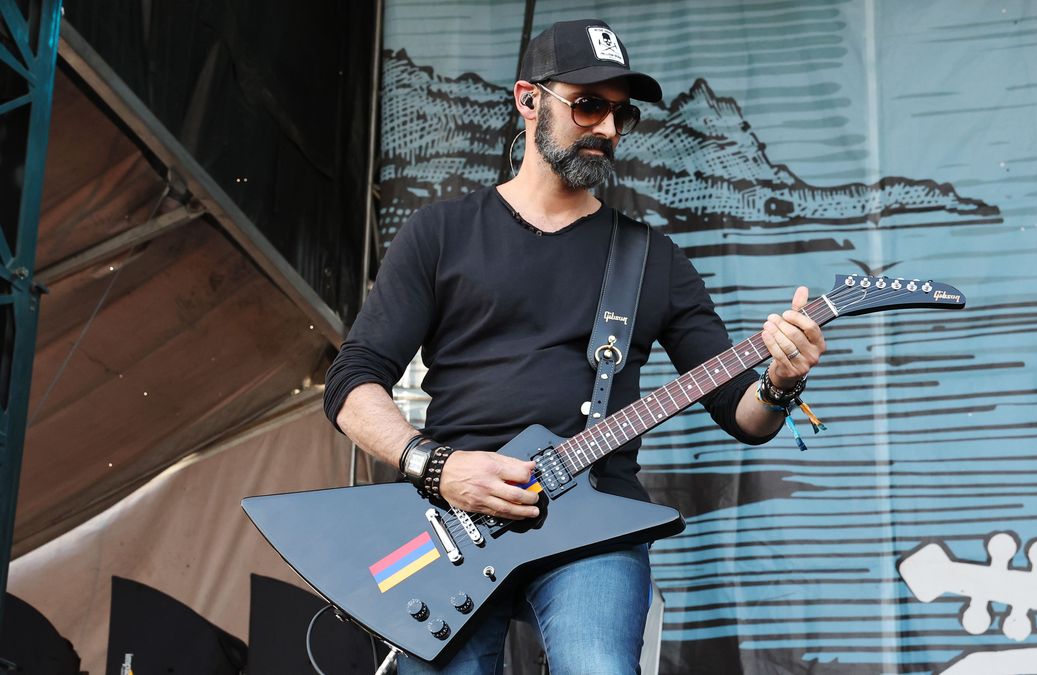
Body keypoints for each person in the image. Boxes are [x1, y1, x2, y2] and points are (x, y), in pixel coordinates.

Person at [323, 19, 826, 674]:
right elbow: (353, 381)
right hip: (449, 518)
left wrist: (781, 382)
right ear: (528, 100)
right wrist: (436, 464)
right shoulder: (440, 232)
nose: (608, 130)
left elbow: (743, 414)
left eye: (622, 114)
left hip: (596, 520)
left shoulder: (654, 260)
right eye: (588, 105)